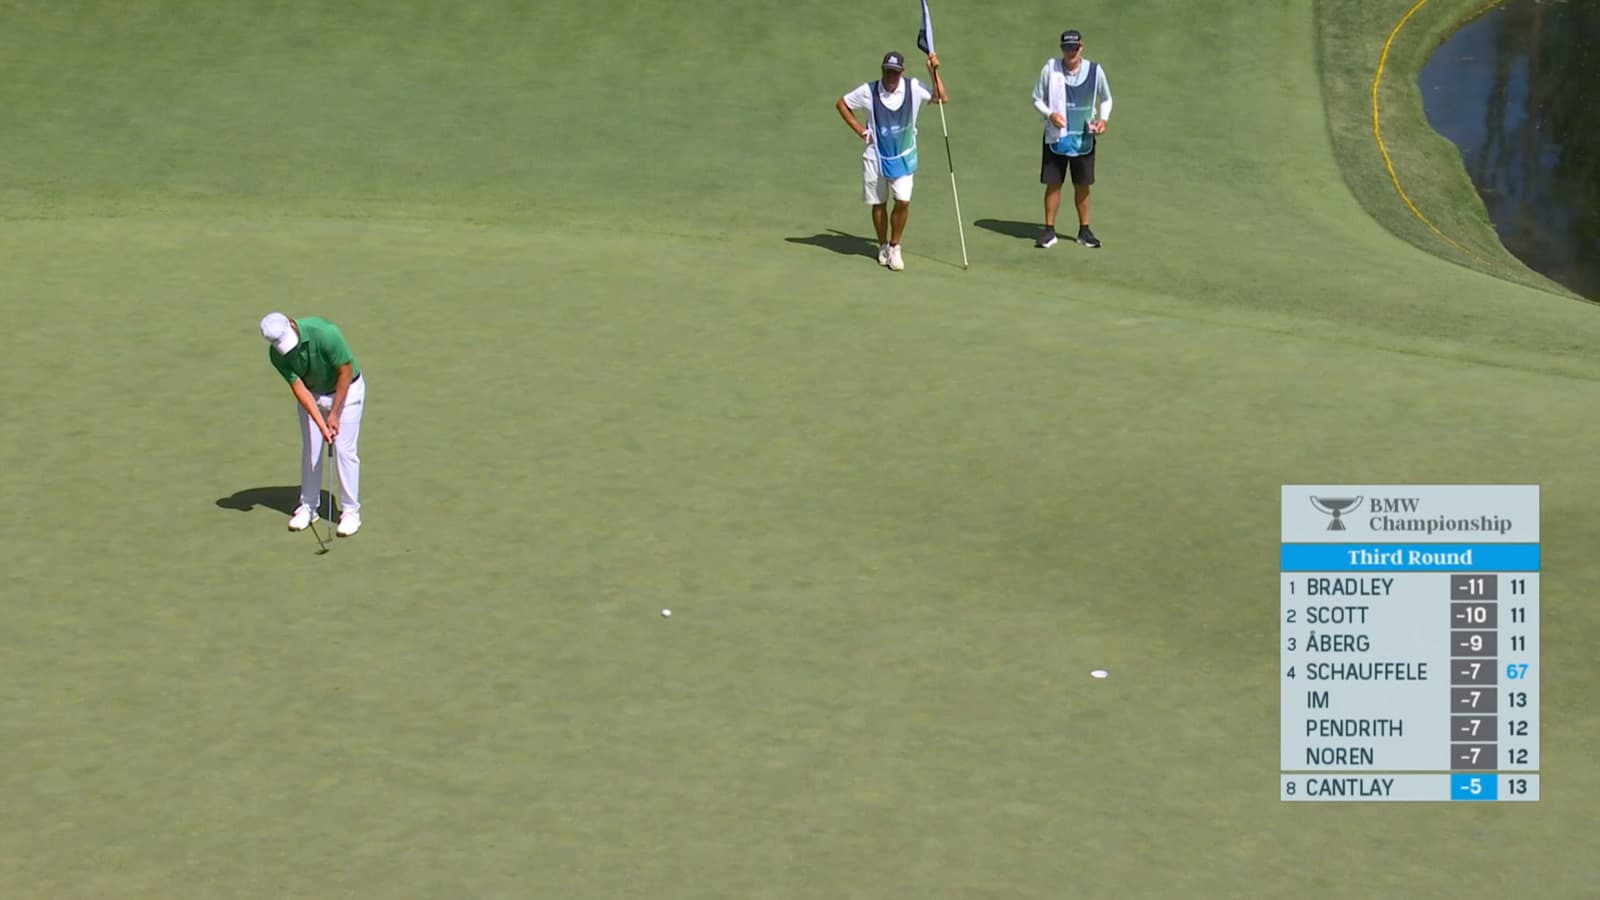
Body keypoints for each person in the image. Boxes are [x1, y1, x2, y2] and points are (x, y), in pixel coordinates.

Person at [836, 49, 948, 271]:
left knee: (903, 201)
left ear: (902, 72)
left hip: (904, 155)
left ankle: (895, 246)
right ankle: (882, 245)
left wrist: (933, 71)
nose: (891, 77)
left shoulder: (913, 87)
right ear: (882, 71)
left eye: (895, 73)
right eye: (887, 72)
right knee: (879, 203)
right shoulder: (868, 91)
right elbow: (842, 104)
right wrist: (860, 130)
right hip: (875, 156)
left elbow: (941, 98)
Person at [259, 312, 365, 537]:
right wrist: (321, 422)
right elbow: (299, 389)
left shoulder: (326, 334)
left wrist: (334, 414)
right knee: (312, 451)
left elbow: (345, 373)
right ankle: (308, 507)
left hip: (347, 391)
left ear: (291, 324)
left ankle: (350, 512)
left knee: (344, 451)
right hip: (313, 394)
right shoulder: (277, 355)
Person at [1032, 29, 1112, 249]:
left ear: (1081, 47)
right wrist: (1050, 115)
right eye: (1067, 48)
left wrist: (1103, 120)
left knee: (1083, 185)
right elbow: (1036, 98)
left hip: (1084, 138)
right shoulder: (1051, 69)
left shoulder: (1095, 71)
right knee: (1053, 184)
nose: (1071, 52)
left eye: (1074, 48)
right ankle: (1049, 231)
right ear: (1062, 49)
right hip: (1057, 138)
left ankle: (1084, 231)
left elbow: (1106, 98)